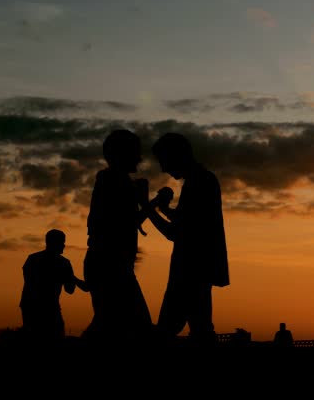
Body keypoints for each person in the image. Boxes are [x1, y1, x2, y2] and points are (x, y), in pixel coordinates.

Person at [143, 132, 230, 348]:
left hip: (189, 270)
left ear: (176, 156)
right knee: (201, 329)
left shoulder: (197, 183)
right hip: (201, 269)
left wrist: (145, 207)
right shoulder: (203, 179)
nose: (163, 169)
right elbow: (190, 223)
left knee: (165, 331)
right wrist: (164, 210)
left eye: (164, 161)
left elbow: (176, 233)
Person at [81, 129, 154, 344]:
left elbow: (128, 223)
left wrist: (143, 200)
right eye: (135, 153)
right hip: (110, 267)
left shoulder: (113, 180)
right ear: (122, 154)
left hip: (109, 266)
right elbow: (127, 223)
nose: (139, 158)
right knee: (135, 327)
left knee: (110, 326)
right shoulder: (113, 181)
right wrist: (148, 202)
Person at [20, 229, 88, 343]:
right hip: (49, 309)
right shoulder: (64, 263)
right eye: (62, 242)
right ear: (54, 243)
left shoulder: (32, 259)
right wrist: (72, 278)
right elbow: (70, 290)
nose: (64, 245)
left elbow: (29, 282)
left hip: (30, 307)